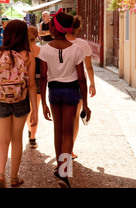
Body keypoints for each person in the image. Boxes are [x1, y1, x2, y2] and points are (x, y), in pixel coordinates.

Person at [38, 11, 90, 188]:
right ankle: (64, 173)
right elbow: (82, 78)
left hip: (54, 91)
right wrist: (87, 104)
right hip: (71, 91)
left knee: (57, 130)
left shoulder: (45, 49)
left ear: (54, 28)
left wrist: (44, 103)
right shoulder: (76, 49)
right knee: (68, 132)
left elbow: (43, 78)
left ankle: (59, 167)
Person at [0, 20, 38, 188]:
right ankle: (14, 177)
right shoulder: (28, 56)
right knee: (17, 139)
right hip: (20, 101)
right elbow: (31, 86)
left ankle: (1, 175)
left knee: (2, 140)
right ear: (23, 35)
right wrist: (35, 111)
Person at [65, 15, 96, 159]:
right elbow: (88, 67)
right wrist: (92, 84)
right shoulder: (83, 44)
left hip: (58, 85)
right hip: (77, 83)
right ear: (77, 28)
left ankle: (61, 150)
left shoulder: (56, 43)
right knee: (75, 118)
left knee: (61, 119)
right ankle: (69, 150)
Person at [27, 26, 42, 148]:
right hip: (38, 82)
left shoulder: (22, 52)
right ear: (37, 36)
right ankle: (32, 137)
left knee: (27, 110)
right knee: (35, 109)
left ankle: (29, 129)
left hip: (24, 83)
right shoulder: (41, 51)